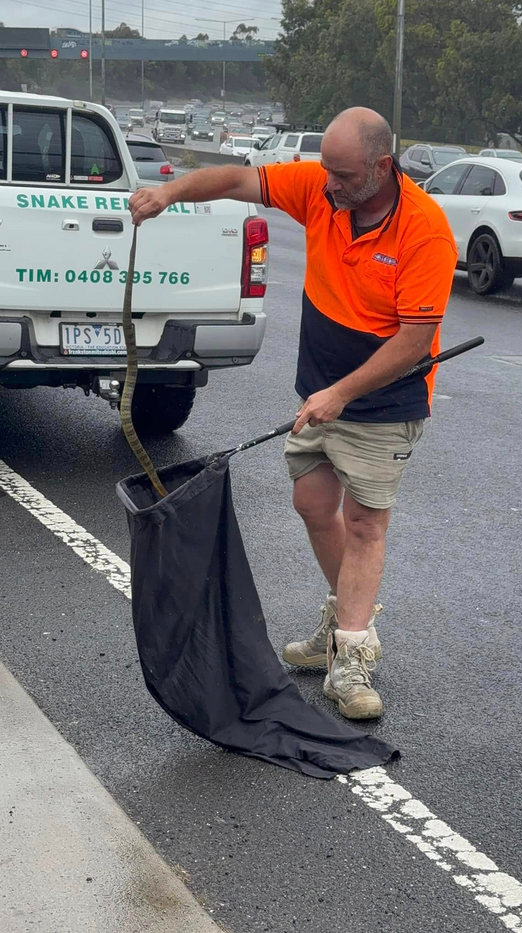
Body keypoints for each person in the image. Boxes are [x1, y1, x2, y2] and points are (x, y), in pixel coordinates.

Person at [129, 107, 458, 721]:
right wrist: (168, 193)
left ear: (382, 167)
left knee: (363, 525)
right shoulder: (321, 189)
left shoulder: (424, 231)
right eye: (326, 171)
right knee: (312, 505)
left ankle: (353, 663)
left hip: (384, 404)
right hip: (320, 394)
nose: (329, 184)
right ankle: (339, 630)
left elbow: (415, 339)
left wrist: (342, 394)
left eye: (343, 173)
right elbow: (232, 181)